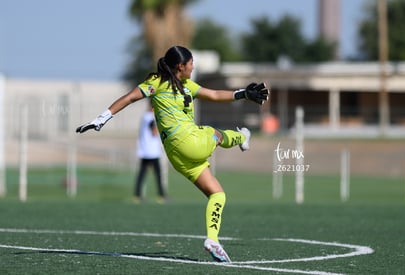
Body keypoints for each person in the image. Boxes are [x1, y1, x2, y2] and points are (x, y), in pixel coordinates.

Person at [76, 46, 269, 263]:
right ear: (181, 66)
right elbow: (130, 97)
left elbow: (214, 94)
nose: (193, 66)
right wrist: (102, 118)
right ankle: (242, 138)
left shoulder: (187, 85)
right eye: (191, 63)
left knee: (217, 194)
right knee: (215, 133)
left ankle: (213, 240)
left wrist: (243, 93)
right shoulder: (157, 83)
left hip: (177, 157)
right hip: (190, 142)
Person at [134, 101, 166, 203]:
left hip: (144, 150)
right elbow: (154, 132)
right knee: (158, 175)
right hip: (152, 151)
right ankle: (161, 196)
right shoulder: (151, 117)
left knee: (142, 174)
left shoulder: (144, 116)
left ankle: (137, 196)